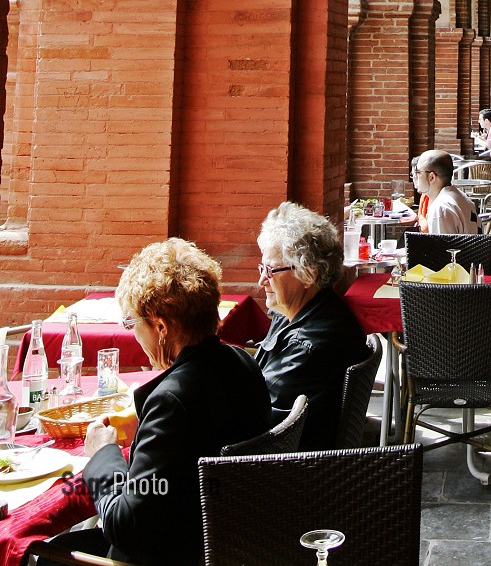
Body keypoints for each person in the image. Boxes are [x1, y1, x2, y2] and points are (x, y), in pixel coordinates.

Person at [39, 238, 272, 566]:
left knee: (34, 551)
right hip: (227, 541)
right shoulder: (241, 362)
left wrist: (103, 454)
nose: (134, 334)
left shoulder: (173, 403)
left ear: (161, 326)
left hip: (173, 552)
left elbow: (127, 527)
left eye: (133, 323)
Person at [255, 201, 369, 451]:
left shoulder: (308, 346)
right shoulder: (294, 312)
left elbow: (259, 423)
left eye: (271, 270)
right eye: (262, 267)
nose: (262, 280)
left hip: (288, 470)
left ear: (309, 274)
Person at [412, 149, 480, 234]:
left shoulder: (440, 209)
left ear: (431, 177)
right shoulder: (461, 196)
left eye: (417, 172)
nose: (414, 176)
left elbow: (442, 247)